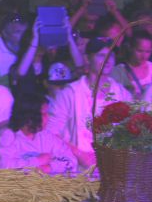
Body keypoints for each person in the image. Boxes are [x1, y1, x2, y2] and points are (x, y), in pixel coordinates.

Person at [47, 38, 130, 167]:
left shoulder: (122, 94)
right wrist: (80, 154)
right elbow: (51, 133)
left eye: (111, 55)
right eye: (101, 55)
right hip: (77, 168)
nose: (107, 60)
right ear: (87, 59)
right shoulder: (70, 93)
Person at [0, 93, 79, 174]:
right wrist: (37, 161)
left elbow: (71, 161)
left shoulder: (46, 136)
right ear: (30, 116)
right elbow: (1, 167)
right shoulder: (8, 136)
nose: (48, 117)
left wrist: (49, 168)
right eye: (44, 114)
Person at [111, 31, 152, 98]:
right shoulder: (118, 71)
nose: (144, 56)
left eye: (148, 52)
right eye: (139, 51)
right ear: (130, 48)